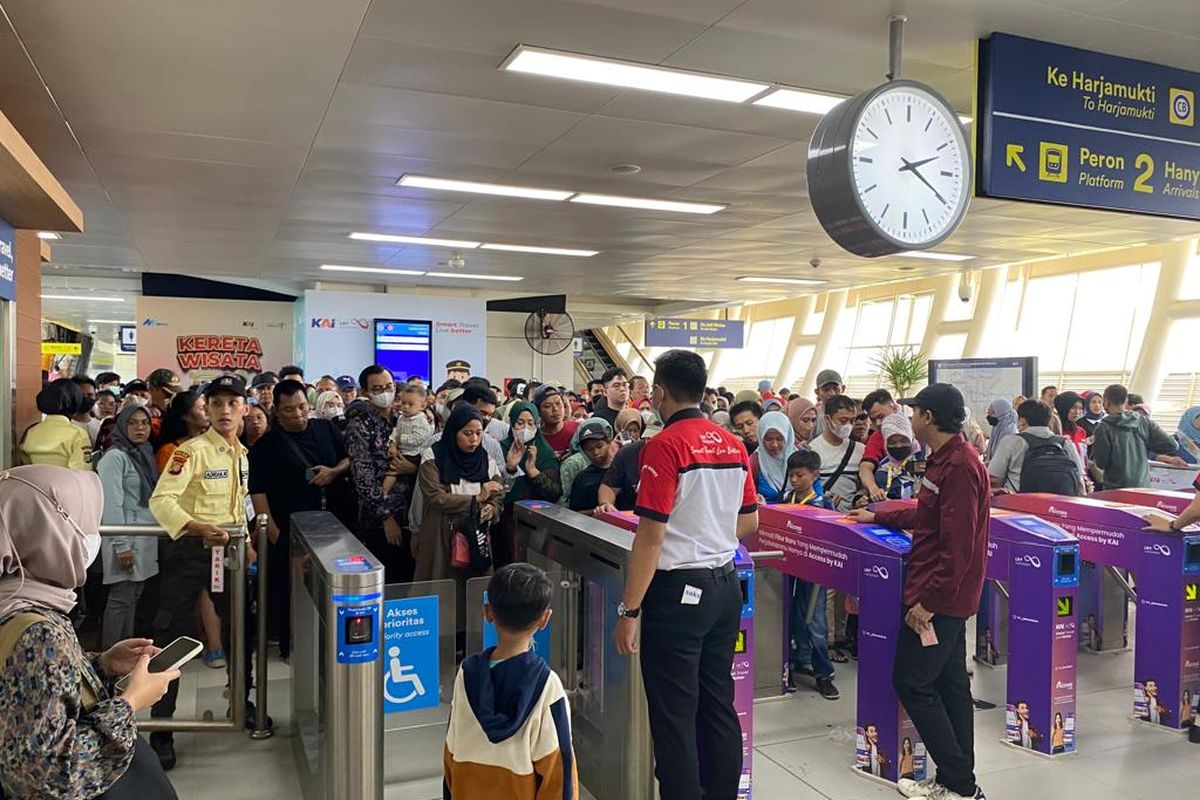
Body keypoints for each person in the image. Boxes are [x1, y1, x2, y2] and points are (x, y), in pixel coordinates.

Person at [612, 349, 757, 800]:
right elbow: (750, 522)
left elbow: (650, 537)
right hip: (724, 586)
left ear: (658, 392)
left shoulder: (664, 445)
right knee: (717, 704)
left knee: (674, 715)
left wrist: (629, 610)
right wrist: (709, 531)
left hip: (678, 594)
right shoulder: (732, 443)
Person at [0, 465, 180, 800]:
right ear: (51, 532)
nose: (92, 536)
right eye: (83, 526)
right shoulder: (38, 632)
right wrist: (131, 702)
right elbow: (46, 774)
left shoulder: (16, 597)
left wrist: (98, 667)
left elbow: (23, 691)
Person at [848, 383, 990, 800]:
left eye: (914, 413)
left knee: (912, 683)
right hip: (938, 591)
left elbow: (958, 545)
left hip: (939, 598)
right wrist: (879, 513)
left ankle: (960, 784)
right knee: (950, 687)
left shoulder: (961, 466)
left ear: (928, 417)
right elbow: (929, 516)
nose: (909, 419)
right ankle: (957, 783)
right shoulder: (943, 461)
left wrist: (929, 603)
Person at [147, 374, 253, 770]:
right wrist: (196, 528)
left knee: (239, 627)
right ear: (205, 410)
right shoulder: (188, 453)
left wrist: (248, 540)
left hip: (229, 552)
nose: (225, 411)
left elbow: (241, 501)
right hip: (189, 551)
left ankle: (242, 701)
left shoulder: (241, 454)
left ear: (244, 408)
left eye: (233, 403)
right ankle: (161, 730)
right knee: (171, 634)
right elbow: (162, 502)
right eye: (217, 403)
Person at [443, 563, 577, 799]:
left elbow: (451, 753)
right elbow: (558, 774)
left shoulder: (466, 674)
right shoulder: (548, 686)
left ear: (487, 612)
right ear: (545, 619)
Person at [249, 380, 352, 657]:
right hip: (289, 528)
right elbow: (258, 493)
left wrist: (333, 471)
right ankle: (292, 645)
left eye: (302, 407)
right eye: (289, 410)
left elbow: (348, 459)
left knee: (331, 587)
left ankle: (329, 643)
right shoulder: (266, 446)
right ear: (277, 412)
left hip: (334, 525)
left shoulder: (325, 429)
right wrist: (274, 535)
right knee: (290, 590)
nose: (297, 415)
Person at [414, 406, 503, 637]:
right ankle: (439, 642)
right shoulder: (433, 457)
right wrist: (477, 499)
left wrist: (491, 509)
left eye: (478, 433)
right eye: (467, 433)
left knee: (474, 591)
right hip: (442, 536)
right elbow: (436, 498)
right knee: (442, 590)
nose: (474, 439)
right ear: (453, 432)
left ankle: (471, 641)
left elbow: (498, 495)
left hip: (475, 538)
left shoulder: (486, 460)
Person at [97, 406, 160, 649]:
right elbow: (111, 504)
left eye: (144, 422)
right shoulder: (115, 457)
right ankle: (109, 658)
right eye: (133, 423)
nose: (140, 428)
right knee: (120, 599)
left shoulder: (143, 453)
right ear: (122, 426)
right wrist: (120, 544)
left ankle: (126, 653)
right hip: (125, 538)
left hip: (144, 536)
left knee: (132, 597)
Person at [345, 365, 414, 583]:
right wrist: (385, 517)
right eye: (377, 389)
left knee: (411, 580)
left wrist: (413, 468)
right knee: (387, 580)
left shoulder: (405, 420)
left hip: (411, 515)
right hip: (380, 520)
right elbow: (362, 476)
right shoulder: (360, 426)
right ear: (365, 392)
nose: (385, 392)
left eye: (389, 386)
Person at [781, 449, 839, 700]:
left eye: (800, 475)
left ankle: (823, 674)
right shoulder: (786, 497)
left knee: (815, 622)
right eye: (791, 475)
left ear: (815, 474)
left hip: (815, 572)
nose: (794, 480)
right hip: (787, 568)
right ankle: (789, 667)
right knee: (787, 617)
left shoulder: (823, 503)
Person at [495, 401, 562, 566]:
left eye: (531, 423)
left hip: (537, 524)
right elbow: (495, 489)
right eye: (520, 423)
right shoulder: (500, 448)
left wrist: (533, 471)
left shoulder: (544, 452)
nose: (526, 428)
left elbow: (554, 492)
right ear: (511, 423)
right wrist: (510, 467)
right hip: (504, 523)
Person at [1092, 384, 1184, 489]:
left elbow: (1100, 463)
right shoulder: (1144, 422)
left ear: (1106, 402)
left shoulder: (1103, 427)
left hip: (1115, 488)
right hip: (1142, 486)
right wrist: (1145, 449)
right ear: (1126, 401)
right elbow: (1172, 445)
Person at [988, 400, 1084, 495]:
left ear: (1022, 421)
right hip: (1061, 504)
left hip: (1020, 503)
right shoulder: (1064, 443)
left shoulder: (1011, 441)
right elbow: (1079, 476)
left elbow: (995, 478)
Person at [20, 378, 92, 469]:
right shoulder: (78, 434)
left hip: (34, 482)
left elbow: (24, 467)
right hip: (65, 482)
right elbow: (82, 472)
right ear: (76, 403)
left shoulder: (30, 432)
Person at [809, 395, 865, 511]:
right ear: (827, 418)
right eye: (843, 420)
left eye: (852, 421)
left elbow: (864, 486)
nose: (848, 426)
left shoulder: (860, 450)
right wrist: (820, 499)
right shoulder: (812, 450)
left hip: (852, 519)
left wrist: (859, 498)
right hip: (822, 518)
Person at [383, 384, 436, 497]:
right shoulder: (401, 417)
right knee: (390, 470)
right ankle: (384, 492)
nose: (405, 407)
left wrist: (400, 439)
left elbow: (420, 438)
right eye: (403, 403)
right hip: (401, 450)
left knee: (396, 473)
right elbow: (396, 431)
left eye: (410, 404)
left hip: (415, 454)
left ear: (422, 406)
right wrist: (392, 444)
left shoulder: (421, 420)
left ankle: (387, 493)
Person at [559, 418, 616, 513]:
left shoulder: (620, 471)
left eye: (599, 446)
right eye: (589, 449)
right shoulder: (583, 479)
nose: (596, 452)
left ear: (609, 442)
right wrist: (595, 512)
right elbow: (574, 513)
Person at [155, 390, 210, 473]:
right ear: (185, 416)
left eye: (207, 408)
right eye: (202, 409)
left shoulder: (211, 442)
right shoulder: (169, 451)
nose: (208, 412)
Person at [750, 411, 794, 504]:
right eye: (769, 439)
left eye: (780, 439)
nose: (774, 445)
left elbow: (815, 493)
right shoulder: (755, 463)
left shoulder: (801, 459)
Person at [531, 385, 578, 462]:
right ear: (538, 411)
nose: (555, 409)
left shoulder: (577, 429)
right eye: (548, 406)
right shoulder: (535, 439)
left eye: (558, 403)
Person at [146, 368, 182, 442]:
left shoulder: (182, 410)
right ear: (151, 389)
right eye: (167, 395)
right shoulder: (144, 416)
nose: (173, 398)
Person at [71, 375, 103, 447]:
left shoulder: (99, 425)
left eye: (90, 395)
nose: (85, 398)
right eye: (81, 395)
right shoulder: (66, 425)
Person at [812, 368, 845, 436]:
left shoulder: (852, 414)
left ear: (843, 389)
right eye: (826, 390)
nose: (832, 393)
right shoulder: (813, 416)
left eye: (836, 389)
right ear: (817, 392)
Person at [985, 398, 1018, 463]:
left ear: (1001, 413)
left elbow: (1004, 457)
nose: (989, 416)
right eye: (988, 412)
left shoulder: (1009, 431)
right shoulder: (997, 426)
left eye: (992, 412)